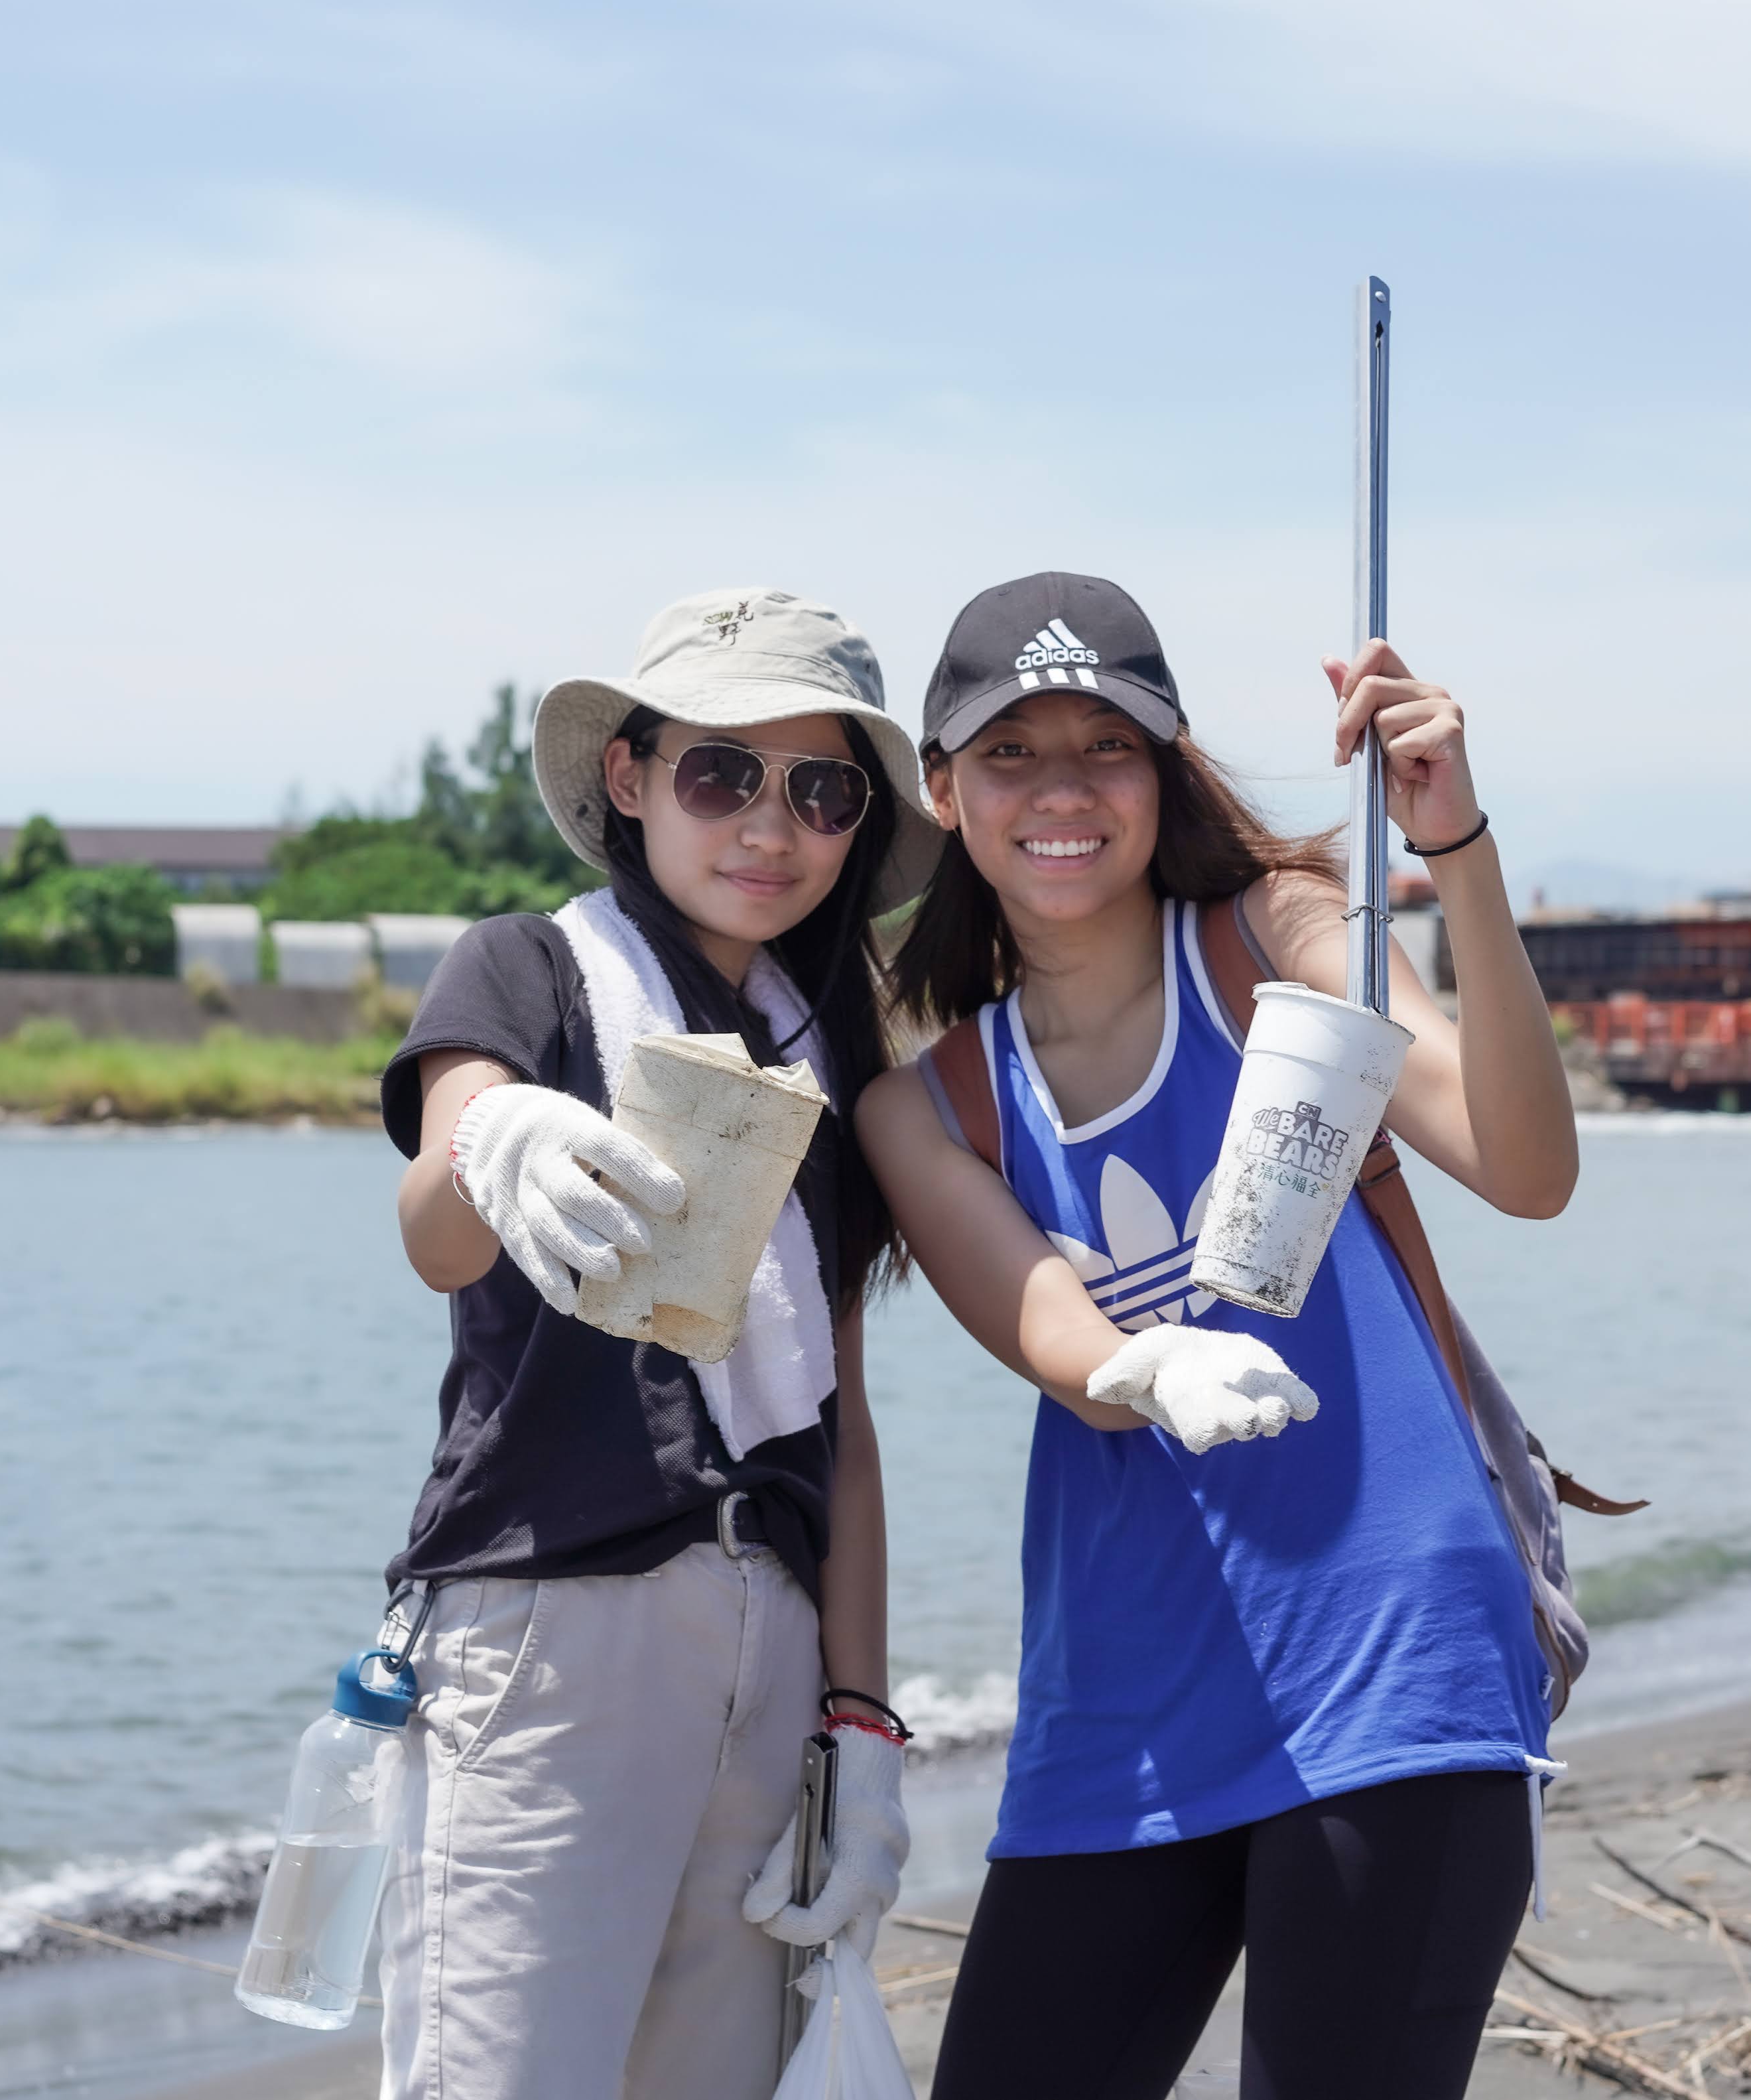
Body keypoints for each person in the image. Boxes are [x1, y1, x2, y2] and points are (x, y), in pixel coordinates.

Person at [858, 571, 1583, 2099]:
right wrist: (1147, 1361)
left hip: (1394, 1670)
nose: (1061, 793)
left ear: (1164, 769)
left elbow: (1525, 1169)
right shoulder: (926, 1104)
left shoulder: (1274, 939)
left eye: (1103, 750)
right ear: (942, 791)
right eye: (1009, 755)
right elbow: (1053, 1330)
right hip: (1112, 1715)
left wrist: (1454, 848)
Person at [374, 588, 937, 2100]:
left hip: (778, 1632)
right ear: (628, 776)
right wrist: (497, 1130)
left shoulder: (831, 1047)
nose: (771, 825)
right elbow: (434, 1227)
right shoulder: (528, 971)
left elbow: (846, 1414)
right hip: (556, 1627)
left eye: (822, 790)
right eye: (720, 773)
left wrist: (861, 1717)